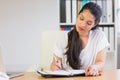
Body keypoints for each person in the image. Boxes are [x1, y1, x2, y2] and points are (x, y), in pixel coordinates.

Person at [50, 2, 110, 76]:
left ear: (94, 24)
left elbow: (101, 62)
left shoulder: (99, 37)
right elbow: (54, 65)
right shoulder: (63, 38)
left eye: (88, 23)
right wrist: (55, 66)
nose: (82, 24)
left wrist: (95, 67)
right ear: (78, 15)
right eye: (81, 18)